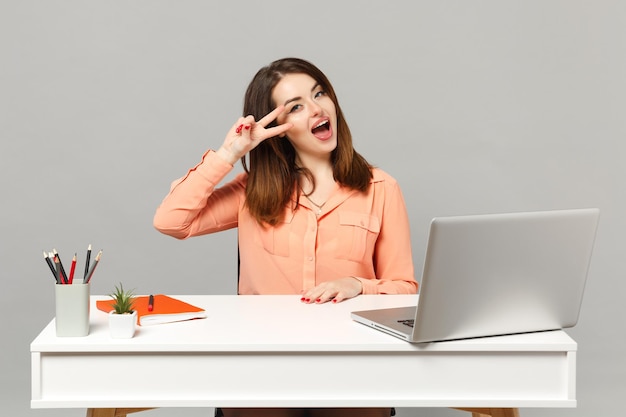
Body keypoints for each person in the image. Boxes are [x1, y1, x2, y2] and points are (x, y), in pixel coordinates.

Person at [153, 57, 418, 417]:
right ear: (277, 127)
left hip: (352, 357)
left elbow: (405, 288)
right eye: (295, 106)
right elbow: (171, 221)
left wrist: (360, 285)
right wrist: (229, 153)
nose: (316, 109)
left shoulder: (381, 187)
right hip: (262, 359)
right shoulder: (252, 190)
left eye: (319, 93)